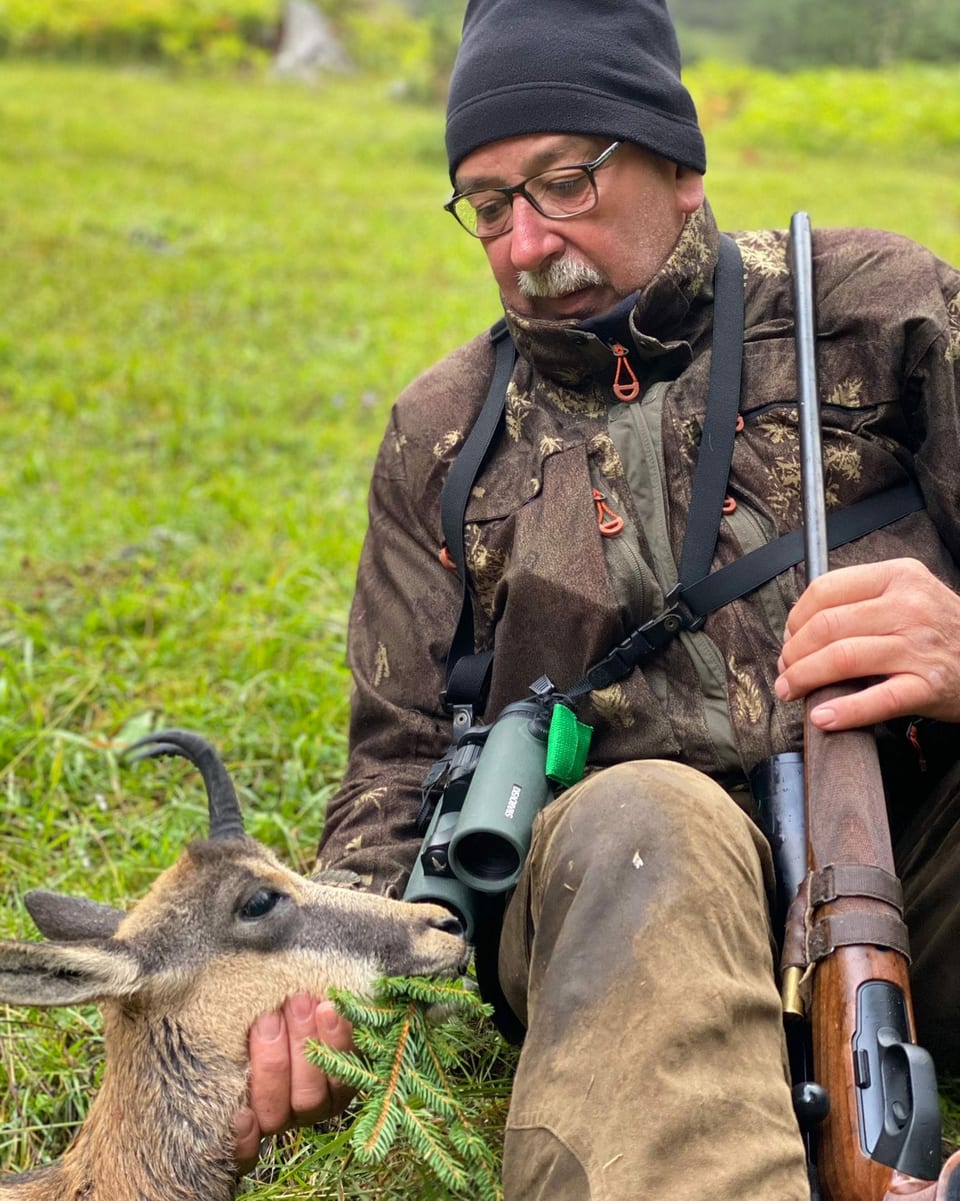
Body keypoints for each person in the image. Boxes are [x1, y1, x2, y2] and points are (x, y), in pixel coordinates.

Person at [234, 0, 960, 1196]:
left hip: (910, 851)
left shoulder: (880, 312)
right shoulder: (443, 434)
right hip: (620, 902)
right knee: (647, 823)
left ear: (678, 163)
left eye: (565, 182)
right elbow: (393, 767)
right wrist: (325, 971)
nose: (528, 243)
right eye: (489, 204)